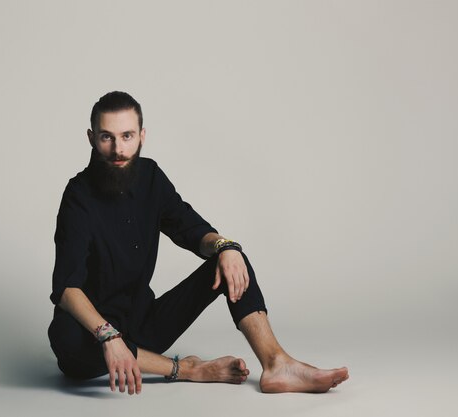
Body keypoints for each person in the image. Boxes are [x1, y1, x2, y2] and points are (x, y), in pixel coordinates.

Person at [48, 91, 349, 395]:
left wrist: (225, 247)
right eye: (106, 137)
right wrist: (109, 338)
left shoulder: (151, 176)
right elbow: (66, 288)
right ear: (91, 138)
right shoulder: (78, 196)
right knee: (66, 337)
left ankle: (276, 364)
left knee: (230, 257)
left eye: (126, 136)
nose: (118, 149)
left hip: (143, 325)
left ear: (142, 136)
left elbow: (191, 228)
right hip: (92, 337)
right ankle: (189, 369)